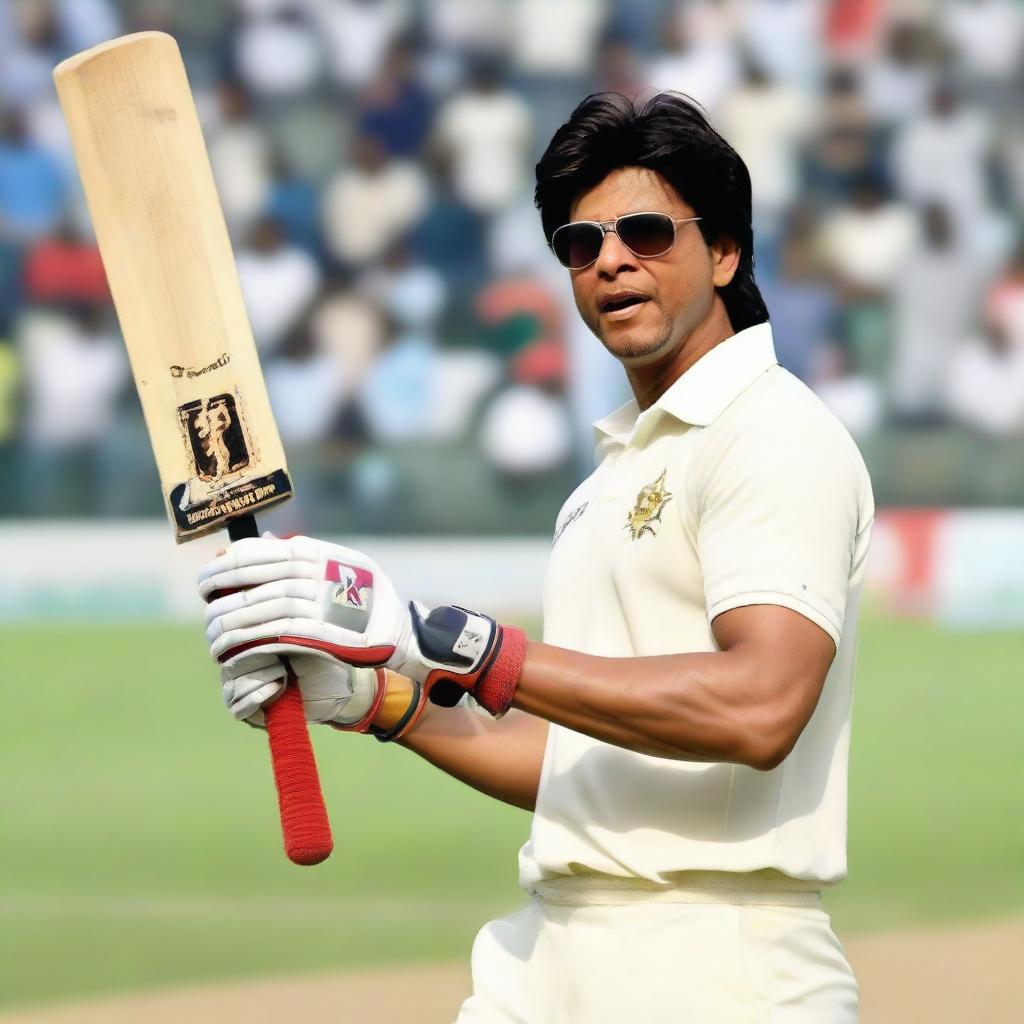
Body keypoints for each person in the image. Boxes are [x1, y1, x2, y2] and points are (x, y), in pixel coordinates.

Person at [199, 92, 873, 1022]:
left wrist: (457, 642)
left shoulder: (770, 432)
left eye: (645, 231)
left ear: (725, 252)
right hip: (550, 955)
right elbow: (578, 761)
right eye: (580, 243)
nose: (611, 261)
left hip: (717, 964)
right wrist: (380, 699)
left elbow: (762, 705)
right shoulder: (608, 476)